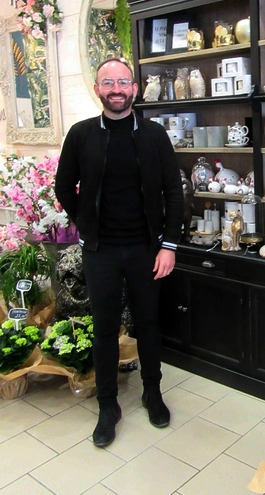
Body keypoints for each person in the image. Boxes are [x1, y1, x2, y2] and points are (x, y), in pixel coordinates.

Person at [55, 57, 184, 447]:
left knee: (148, 324)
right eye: (107, 82)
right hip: (101, 252)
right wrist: (87, 225)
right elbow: (64, 187)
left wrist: (169, 246)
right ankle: (108, 406)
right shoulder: (80, 135)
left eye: (122, 82)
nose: (115, 88)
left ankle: (152, 392)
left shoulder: (153, 135)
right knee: (106, 329)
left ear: (134, 89)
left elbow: (174, 193)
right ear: (98, 89)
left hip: (147, 250)